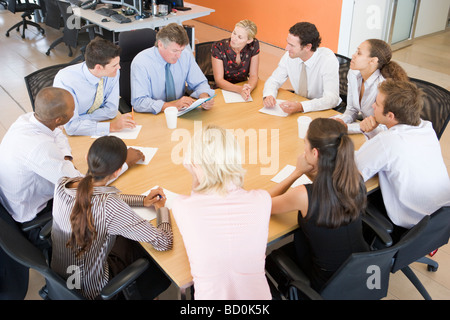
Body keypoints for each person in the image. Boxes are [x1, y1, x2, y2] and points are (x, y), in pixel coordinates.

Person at [51, 135, 173, 300]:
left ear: (87, 157)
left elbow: (93, 196)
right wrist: (162, 209)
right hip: (93, 290)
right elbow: (164, 242)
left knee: (126, 238)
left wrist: (142, 201)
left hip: (63, 280)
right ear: (117, 171)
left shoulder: (62, 184)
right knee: (148, 254)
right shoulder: (110, 207)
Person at [172, 125, 272, 300]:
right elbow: (236, 194)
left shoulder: (181, 206)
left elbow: (199, 195)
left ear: (194, 164)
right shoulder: (263, 200)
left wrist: (196, 176)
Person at [269, 118, 369, 291]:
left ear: (315, 153)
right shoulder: (356, 177)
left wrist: (297, 172)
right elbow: (329, 188)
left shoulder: (303, 195)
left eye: (305, 144)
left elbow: (263, 204)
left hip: (327, 282)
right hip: (360, 269)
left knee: (270, 259)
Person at [355, 79, 450, 235]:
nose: (373, 106)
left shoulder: (388, 141)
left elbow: (355, 169)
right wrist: (373, 132)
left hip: (413, 225)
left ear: (391, 116)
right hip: (440, 220)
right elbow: (390, 147)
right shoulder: (426, 127)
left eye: (377, 104)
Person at [0, 87, 82, 245]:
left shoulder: (27, 119)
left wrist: (65, 157)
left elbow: (57, 133)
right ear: (59, 119)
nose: (75, 110)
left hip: (15, 200)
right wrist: (125, 163)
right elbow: (79, 184)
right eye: (73, 109)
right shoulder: (40, 148)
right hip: (34, 215)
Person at [54, 37, 136, 136]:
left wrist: (80, 119)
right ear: (98, 67)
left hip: (92, 128)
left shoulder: (113, 73)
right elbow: (72, 128)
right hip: (68, 136)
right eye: (114, 65)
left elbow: (111, 111)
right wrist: (111, 127)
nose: (119, 67)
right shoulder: (66, 80)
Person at [131, 23, 215, 114]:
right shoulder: (141, 63)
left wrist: (204, 97)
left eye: (181, 50)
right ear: (160, 45)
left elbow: (200, 83)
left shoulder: (185, 55)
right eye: (174, 51)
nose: (179, 56)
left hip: (181, 112)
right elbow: (139, 102)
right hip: (155, 114)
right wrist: (172, 106)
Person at [333, 39, 408, 138]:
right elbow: (352, 110)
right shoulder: (353, 73)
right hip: (367, 132)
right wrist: (342, 121)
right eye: (356, 51)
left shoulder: (384, 86)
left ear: (373, 61)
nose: (353, 55)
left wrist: (346, 128)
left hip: (388, 137)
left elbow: (383, 127)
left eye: (359, 53)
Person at [263, 22, 340, 114]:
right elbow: (274, 80)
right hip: (299, 102)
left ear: (307, 47)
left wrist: (301, 106)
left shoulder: (327, 60)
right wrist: (269, 95)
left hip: (322, 109)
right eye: (288, 43)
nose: (286, 48)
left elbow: (331, 99)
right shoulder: (290, 56)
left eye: (292, 45)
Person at [211, 19, 260, 101]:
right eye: (234, 33)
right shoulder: (218, 47)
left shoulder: (253, 45)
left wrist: (248, 89)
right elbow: (219, 80)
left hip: (243, 87)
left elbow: (254, 75)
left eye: (240, 37)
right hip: (223, 90)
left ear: (249, 40)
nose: (233, 38)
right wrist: (239, 89)